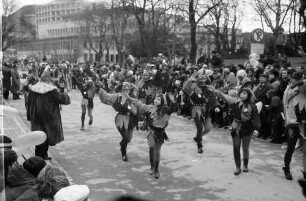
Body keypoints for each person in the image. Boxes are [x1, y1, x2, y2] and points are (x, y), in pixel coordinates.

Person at [126, 93, 176, 179]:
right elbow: (139, 104)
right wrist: (129, 98)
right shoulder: (149, 107)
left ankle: (156, 169)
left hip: (160, 133)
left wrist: (173, 101)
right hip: (152, 132)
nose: (156, 100)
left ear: (162, 101)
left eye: (159, 99)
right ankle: (152, 167)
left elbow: (173, 108)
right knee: (151, 147)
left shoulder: (166, 110)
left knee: (157, 152)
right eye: (155, 99)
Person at [215, 88, 260, 175]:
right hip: (235, 127)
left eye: (244, 94)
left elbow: (256, 118)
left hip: (247, 128)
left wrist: (256, 129)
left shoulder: (252, 106)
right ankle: (238, 167)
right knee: (236, 147)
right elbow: (225, 97)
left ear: (249, 96)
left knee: (245, 148)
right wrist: (216, 91)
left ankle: (245, 165)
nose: (242, 95)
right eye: (241, 93)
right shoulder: (235, 103)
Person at [27, 71, 71, 160]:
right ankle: (41, 156)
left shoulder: (33, 88)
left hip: (36, 116)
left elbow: (29, 103)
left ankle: (40, 155)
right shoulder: (51, 90)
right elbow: (61, 99)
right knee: (46, 136)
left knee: (37, 135)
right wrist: (65, 94)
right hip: (48, 117)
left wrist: (29, 115)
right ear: (48, 79)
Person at [97, 82, 138, 161]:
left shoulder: (133, 96)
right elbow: (107, 97)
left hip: (131, 119)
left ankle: (122, 143)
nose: (126, 91)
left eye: (128, 89)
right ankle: (124, 153)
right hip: (121, 118)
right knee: (125, 137)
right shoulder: (117, 96)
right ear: (122, 89)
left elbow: (139, 104)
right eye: (124, 89)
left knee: (128, 138)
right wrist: (100, 89)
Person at [182, 73, 220, 154]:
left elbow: (214, 99)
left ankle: (197, 137)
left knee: (208, 129)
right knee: (199, 128)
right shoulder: (193, 87)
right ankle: (199, 145)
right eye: (200, 79)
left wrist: (217, 106)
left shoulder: (209, 88)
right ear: (197, 80)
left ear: (206, 79)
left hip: (206, 110)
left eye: (204, 79)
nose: (202, 80)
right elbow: (185, 88)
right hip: (196, 109)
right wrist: (189, 80)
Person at [282, 73, 306, 180]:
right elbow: (288, 111)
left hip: (304, 127)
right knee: (290, 149)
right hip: (293, 126)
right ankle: (286, 168)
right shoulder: (291, 96)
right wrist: (292, 124)